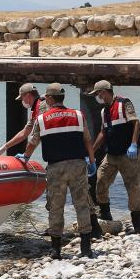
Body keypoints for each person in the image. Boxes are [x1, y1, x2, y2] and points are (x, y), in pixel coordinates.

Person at [24, 83, 97, 259]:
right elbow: (88, 140)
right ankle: (86, 248)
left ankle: (56, 249)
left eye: (46, 98)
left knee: (56, 207)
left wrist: (25, 157)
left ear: (49, 98)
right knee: (82, 204)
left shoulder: (42, 119)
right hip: (78, 165)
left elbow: (33, 142)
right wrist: (92, 161)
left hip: (56, 167)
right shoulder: (78, 115)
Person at [88, 80, 140, 233]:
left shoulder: (124, 103)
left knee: (132, 186)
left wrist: (134, 144)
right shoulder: (104, 111)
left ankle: (137, 222)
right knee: (100, 181)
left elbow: (136, 123)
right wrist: (92, 152)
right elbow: (103, 132)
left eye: (97, 94)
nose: (96, 97)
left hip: (128, 154)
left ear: (104, 92)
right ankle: (106, 214)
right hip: (111, 155)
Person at [0, 83, 46, 157]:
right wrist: (4, 147)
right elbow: (24, 132)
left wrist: (26, 155)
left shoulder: (42, 107)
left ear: (28, 96)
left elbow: (35, 137)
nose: (22, 101)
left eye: (22, 98)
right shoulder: (35, 109)